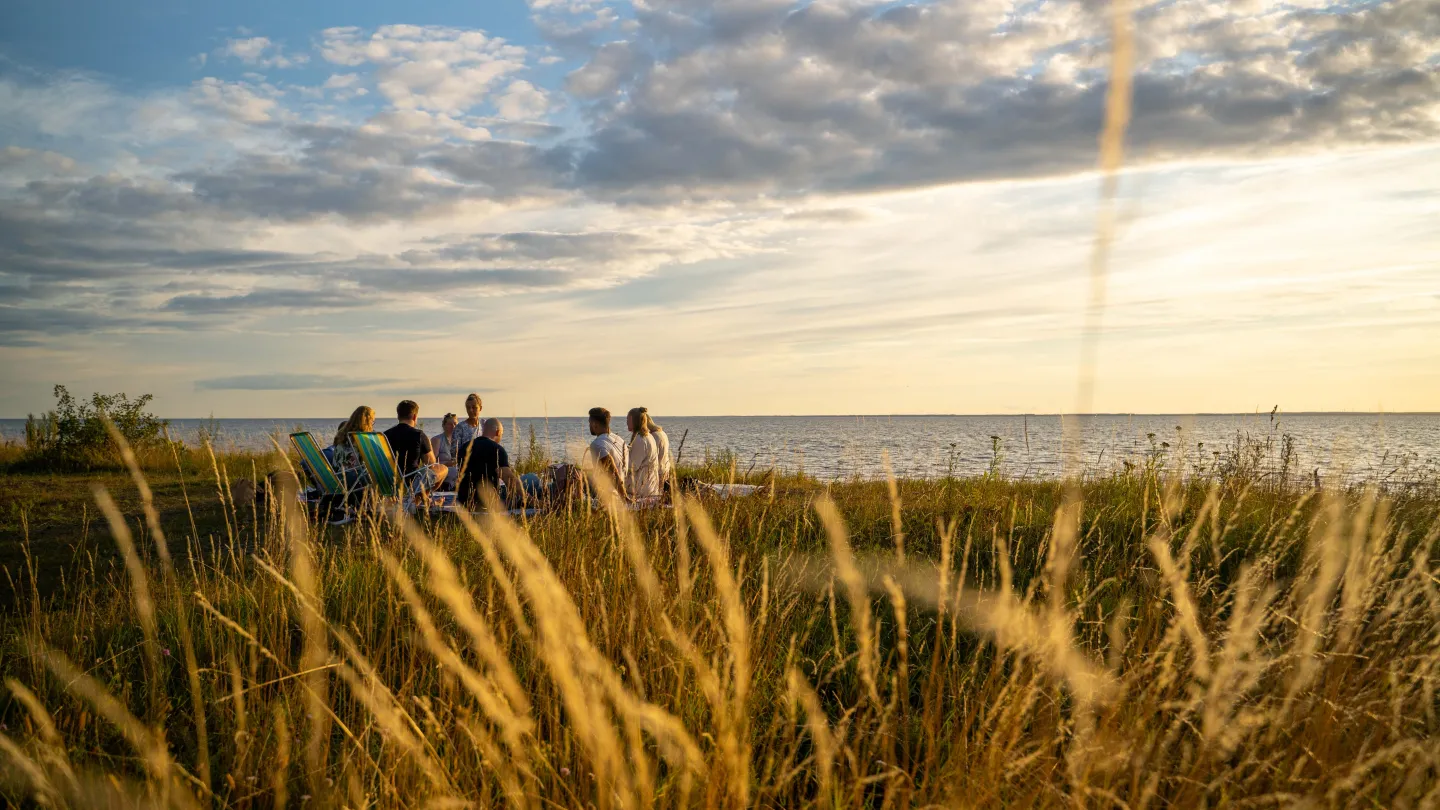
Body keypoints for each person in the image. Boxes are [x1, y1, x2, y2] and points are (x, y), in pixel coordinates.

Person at [456, 418, 542, 507]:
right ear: (498, 432)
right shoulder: (496, 449)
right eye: (501, 434)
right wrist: (533, 502)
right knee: (532, 478)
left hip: (464, 500)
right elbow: (509, 480)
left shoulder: (464, 447)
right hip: (487, 501)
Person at [383, 400, 448, 493]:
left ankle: (417, 500)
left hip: (388, 481)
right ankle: (420, 500)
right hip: (411, 483)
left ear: (398, 416)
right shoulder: (418, 435)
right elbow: (431, 464)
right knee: (442, 469)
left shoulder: (385, 435)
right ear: (414, 416)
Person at [583, 407, 627, 499]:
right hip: (621, 491)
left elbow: (613, 472)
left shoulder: (597, 444)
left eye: (590, 423)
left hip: (609, 497)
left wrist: (624, 498)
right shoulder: (620, 440)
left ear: (595, 424)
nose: (589, 426)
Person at [626, 407, 662, 503]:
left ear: (635, 421)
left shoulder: (640, 439)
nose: (626, 423)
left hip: (642, 489)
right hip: (650, 485)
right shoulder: (648, 436)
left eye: (628, 420)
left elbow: (632, 466)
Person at [433, 413, 458, 490]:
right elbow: (431, 464)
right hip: (443, 472)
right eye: (450, 424)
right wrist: (448, 464)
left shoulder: (459, 440)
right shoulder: (437, 440)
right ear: (443, 426)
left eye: (455, 424)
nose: (453, 426)